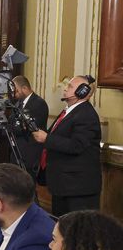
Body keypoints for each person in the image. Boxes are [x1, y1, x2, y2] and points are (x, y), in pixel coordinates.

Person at [32, 75, 103, 216]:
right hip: (64, 185)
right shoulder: (69, 111)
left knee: (78, 231)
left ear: (83, 92)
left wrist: (47, 138)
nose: (65, 88)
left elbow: (77, 145)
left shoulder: (86, 114)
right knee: (63, 229)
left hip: (78, 188)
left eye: (70, 86)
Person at [11, 75, 48, 177]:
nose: (14, 94)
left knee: (27, 186)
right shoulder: (18, 103)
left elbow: (28, 129)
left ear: (25, 88)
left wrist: (12, 127)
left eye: (16, 90)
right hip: (17, 152)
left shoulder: (38, 103)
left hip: (30, 154)